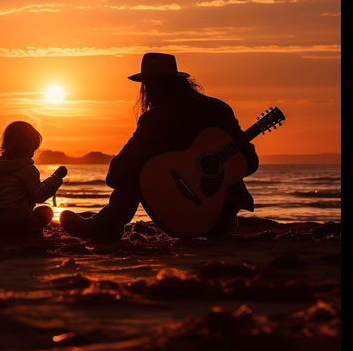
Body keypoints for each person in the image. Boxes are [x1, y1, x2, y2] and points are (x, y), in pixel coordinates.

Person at [60, 53, 259, 241]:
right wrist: (218, 173)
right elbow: (250, 161)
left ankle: (105, 227)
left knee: (137, 171)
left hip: (181, 218)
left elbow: (120, 172)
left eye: (146, 85)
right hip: (222, 219)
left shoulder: (156, 118)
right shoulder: (219, 108)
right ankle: (105, 224)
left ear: (151, 86)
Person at [0, 121, 67, 238]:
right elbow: (39, 195)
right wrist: (55, 179)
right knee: (46, 211)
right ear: (27, 148)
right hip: (18, 223)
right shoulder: (28, 170)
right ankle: (28, 233)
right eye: (32, 150)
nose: (33, 154)